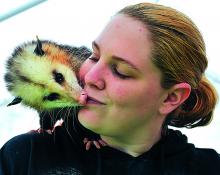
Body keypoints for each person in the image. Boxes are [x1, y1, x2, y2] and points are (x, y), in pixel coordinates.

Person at [0, 2, 219, 175]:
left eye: (121, 71)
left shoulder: (207, 168)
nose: (90, 77)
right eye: (94, 57)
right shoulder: (24, 156)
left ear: (171, 97)